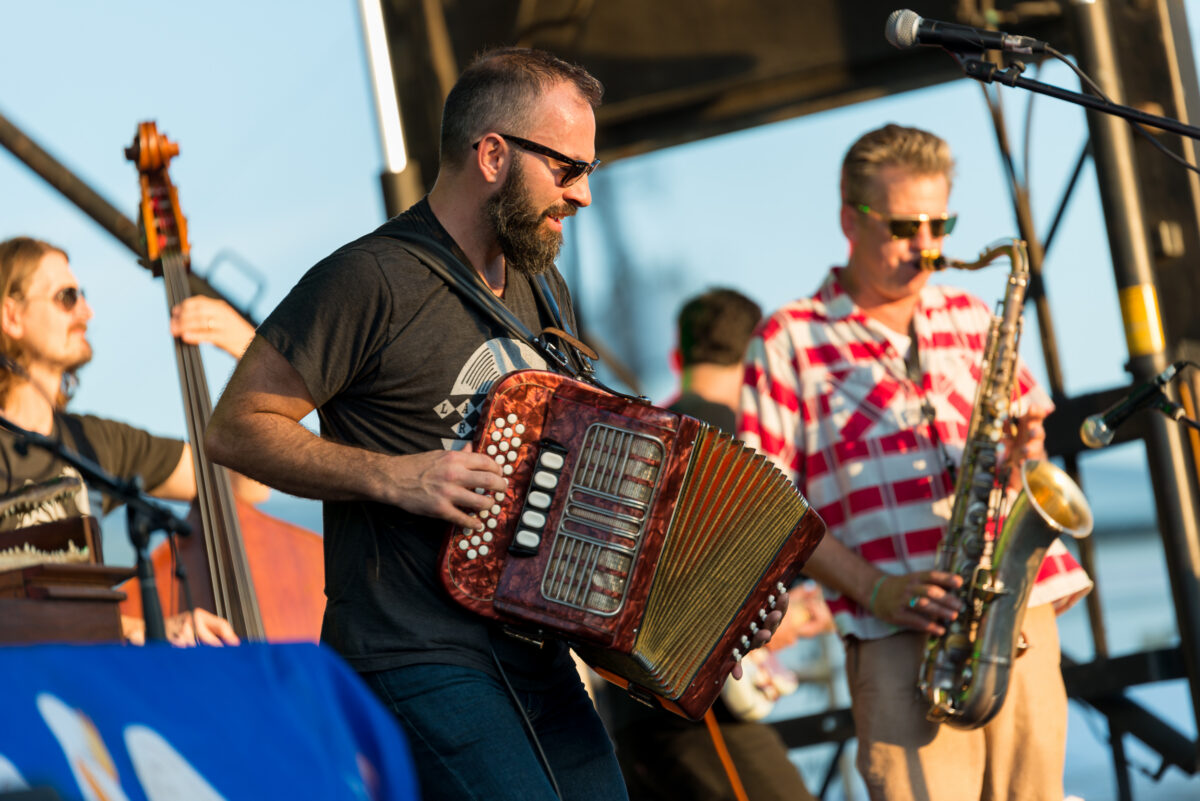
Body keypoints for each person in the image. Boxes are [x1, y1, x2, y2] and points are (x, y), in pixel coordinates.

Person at [204, 48, 784, 801]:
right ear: (492, 154)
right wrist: (395, 475)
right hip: (412, 650)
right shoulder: (369, 277)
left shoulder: (545, 287)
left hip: (534, 652)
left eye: (589, 172)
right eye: (567, 169)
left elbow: (601, 487)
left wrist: (719, 601)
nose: (580, 195)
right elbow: (236, 425)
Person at [738, 124, 1092, 801]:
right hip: (897, 630)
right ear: (849, 219)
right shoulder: (789, 338)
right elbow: (766, 505)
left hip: (1018, 611)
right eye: (904, 226)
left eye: (941, 224)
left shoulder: (972, 316)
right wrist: (874, 588)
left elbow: (1026, 468)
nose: (928, 247)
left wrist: (1025, 454)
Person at [607, 287, 828, 801]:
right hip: (704, 716)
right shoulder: (757, 451)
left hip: (629, 709)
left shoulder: (641, 438)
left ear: (676, 357)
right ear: (758, 358)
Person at [0, 234, 253, 647]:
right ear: (11, 315)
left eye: (82, 295)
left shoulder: (97, 442)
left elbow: (244, 485)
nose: (87, 311)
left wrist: (249, 351)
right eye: (66, 297)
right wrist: (142, 629)